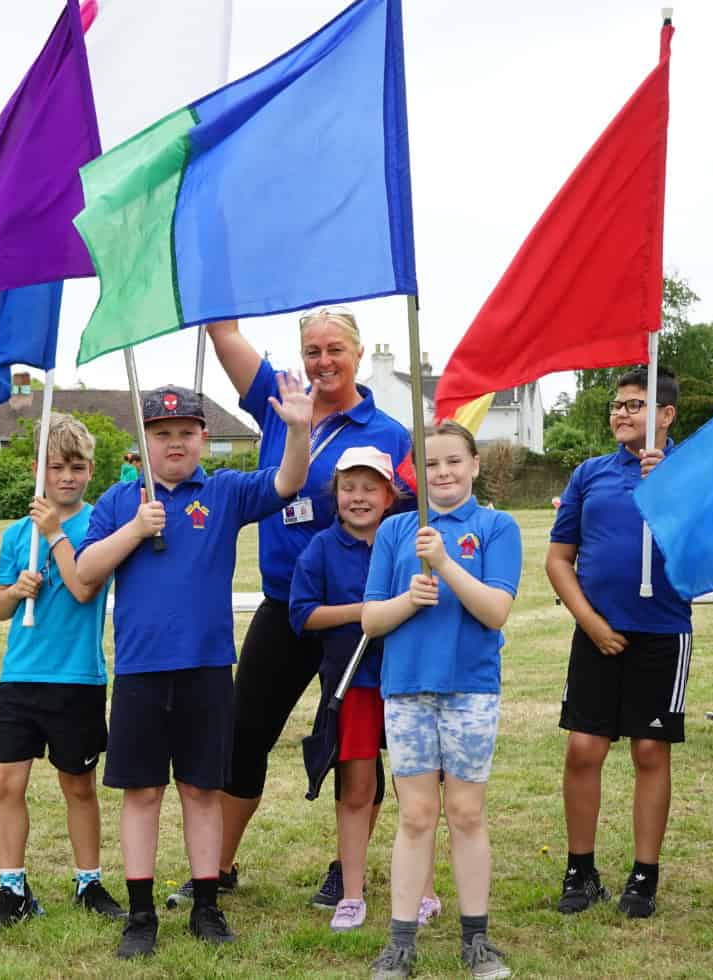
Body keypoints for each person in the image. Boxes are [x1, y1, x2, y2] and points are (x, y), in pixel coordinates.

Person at [75, 380, 311, 959]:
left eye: (185, 433)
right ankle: (140, 912)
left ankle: (207, 904)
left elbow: (288, 482)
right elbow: (84, 574)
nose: (174, 443)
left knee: (203, 790)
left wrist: (299, 431)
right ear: (143, 442)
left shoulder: (226, 492)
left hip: (207, 668)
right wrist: (136, 528)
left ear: (204, 438)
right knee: (142, 793)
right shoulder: (118, 500)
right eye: (161, 434)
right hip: (141, 670)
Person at [199, 310, 413, 909]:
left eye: (335, 349)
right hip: (288, 605)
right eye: (312, 350)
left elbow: (417, 514)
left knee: (357, 744)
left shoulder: (392, 432)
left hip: (360, 616)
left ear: (360, 351)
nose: (323, 362)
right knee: (243, 735)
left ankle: (346, 873)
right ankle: (218, 865)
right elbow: (226, 336)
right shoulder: (278, 398)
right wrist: (218, 273)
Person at [363, 421, 522, 980]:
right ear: (416, 473)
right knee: (416, 816)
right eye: (430, 465)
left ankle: (476, 940)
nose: (443, 473)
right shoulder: (395, 530)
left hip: (470, 691)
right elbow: (370, 619)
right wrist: (409, 598)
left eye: (454, 461)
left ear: (474, 464)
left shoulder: (497, 527)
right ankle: (401, 941)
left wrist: (448, 563)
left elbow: (495, 611)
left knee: (465, 812)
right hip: (406, 692)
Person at [546, 367, 690, 919]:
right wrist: (589, 621)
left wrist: (668, 489)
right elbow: (559, 560)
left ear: (665, 415)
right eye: (618, 405)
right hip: (597, 633)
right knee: (584, 749)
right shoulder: (590, 474)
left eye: (635, 405)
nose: (622, 414)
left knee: (650, 750)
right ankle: (580, 870)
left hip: (662, 633)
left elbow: (705, 546)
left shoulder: (687, 473)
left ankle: (643, 875)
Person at [288, 446, 438, 933]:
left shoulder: (408, 539)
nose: (358, 497)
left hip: (408, 679)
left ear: (389, 494)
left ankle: (424, 888)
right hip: (353, 683)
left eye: (369, 487)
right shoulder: (321, 548)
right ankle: (352, 893)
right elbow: (302, 615)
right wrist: (367, 612)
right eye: (348, 487)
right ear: (335, 494)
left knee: (415, 787)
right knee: (357, 788)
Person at [0, 415, 124, 930]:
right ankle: (12, 889)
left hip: (77, 676)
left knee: (78, 785)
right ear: (39, 470)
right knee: (5, 782)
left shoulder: (99, 526)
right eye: (57, 467)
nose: (67, 477)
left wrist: (55, 532)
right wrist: (16, 591)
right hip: (21, 676)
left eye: (77, 467)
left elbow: (85, 588)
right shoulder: (18, 534)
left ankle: (89, 881)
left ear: (90, 470)